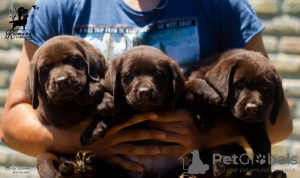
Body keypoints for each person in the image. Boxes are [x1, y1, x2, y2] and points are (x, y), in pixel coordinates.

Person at [0, 0, 292, 174]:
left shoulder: (223, 5)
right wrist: (77, 140)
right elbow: (11, 125)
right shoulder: (55, 6)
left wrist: (207, 136)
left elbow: (280, 124)